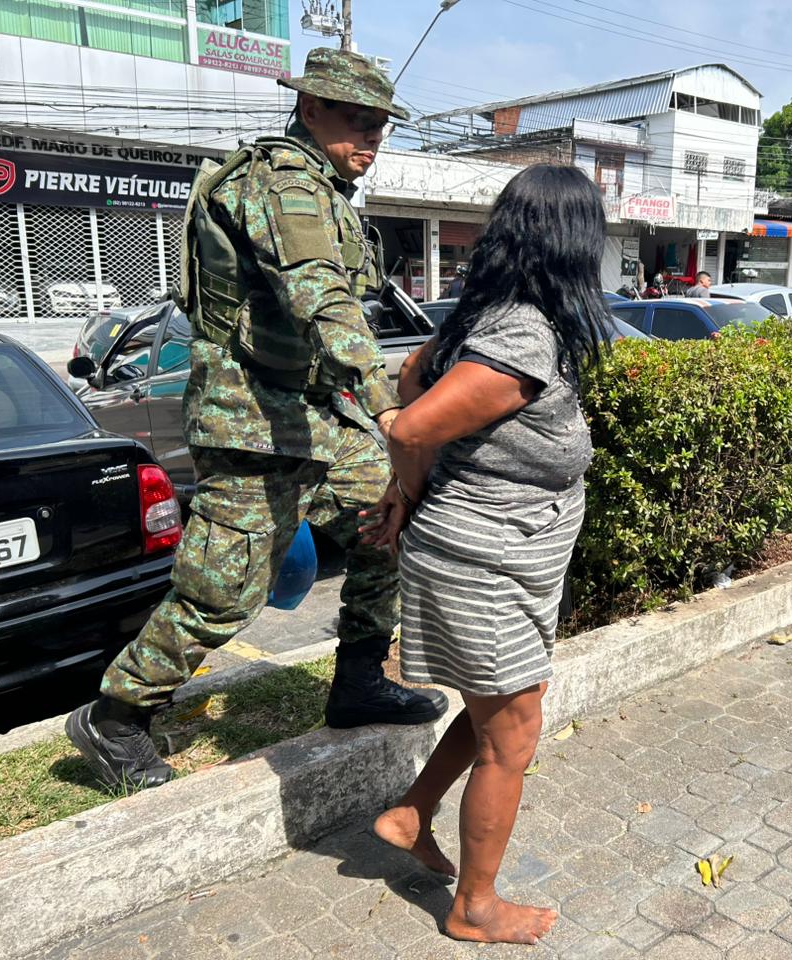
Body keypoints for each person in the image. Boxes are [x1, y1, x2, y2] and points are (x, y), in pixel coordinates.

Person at [64, 48, 448, 792]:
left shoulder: (327, 188)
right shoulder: (281, 183)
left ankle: (359, 679)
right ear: (310, 110)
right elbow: (323, 302)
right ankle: (114, 718)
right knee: (223, 593)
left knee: (390, 513)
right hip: (250, 422)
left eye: (380, 125)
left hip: (309, 416)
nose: (370, 138)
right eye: (355, 121)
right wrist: (390, 405)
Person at [363, 164, 609, 946]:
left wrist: (409, 497)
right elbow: (407, 423)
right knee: (513, 735)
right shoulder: (523, 333)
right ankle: (474, 907)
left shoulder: (498, 312)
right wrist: (410, 488)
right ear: (574, 241)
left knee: (493, 706)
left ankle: (409, 814)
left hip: (505, 555)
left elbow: (411, 370)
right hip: (483, 559)